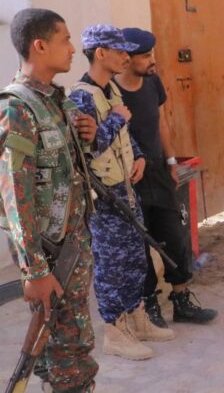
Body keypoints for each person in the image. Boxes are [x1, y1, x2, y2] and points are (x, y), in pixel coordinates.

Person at [1, 8, 99, 391]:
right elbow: (15, 195)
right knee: (67, 351)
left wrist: (87, 135)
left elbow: (64, 169)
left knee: (66, 343)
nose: (73, 49)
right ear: (40, 46)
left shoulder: (56, 101)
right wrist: (35, 270)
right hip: (51, 256)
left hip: (73, 245)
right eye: (66, 39)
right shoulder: (17, 109)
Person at [69, 24, 174, 361]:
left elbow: (124, 135)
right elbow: (84, 152)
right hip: (103, 198)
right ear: (100, 53)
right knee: (112, 267)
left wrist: (139, 156)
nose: (125, 57)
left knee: (134, 259)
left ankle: (137, 320)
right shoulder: (81, 97)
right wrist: (116, 119)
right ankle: (115, 333)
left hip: (126, 187)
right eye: (119, 51)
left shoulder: (110, 89)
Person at [115, 27, 217, 327]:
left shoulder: (152, 82)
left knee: (173, 236)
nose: (152, 61)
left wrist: (172, 161)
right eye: (145, 55)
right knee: (139, 243)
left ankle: (181, 300)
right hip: (129, 178)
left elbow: (161, 123)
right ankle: (149, 306)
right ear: (127, 58)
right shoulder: (109, 92)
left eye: (151, 54)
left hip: (158, 171)